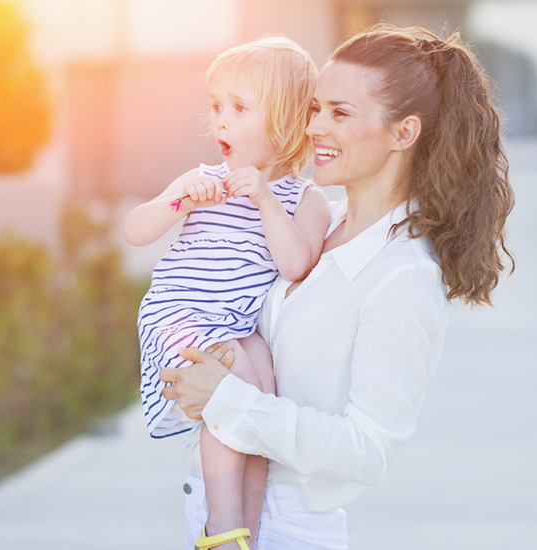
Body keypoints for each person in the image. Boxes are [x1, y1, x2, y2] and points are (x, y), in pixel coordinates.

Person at [160, 24, 515, 550]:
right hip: (218, 511)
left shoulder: (403, 275)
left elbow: (366, 450)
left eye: (340, 114)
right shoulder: (315, 223)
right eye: (315, 109)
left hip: (285, 529)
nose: (315, 128)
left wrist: (227, 399)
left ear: (404, 133)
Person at [123, 36, 330, 550]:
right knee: (230, 391)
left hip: (237, 326)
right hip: (181, 316)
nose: (220, 120)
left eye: (239, 108)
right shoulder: (202, 180)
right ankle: (220, 528)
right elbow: (136, 230)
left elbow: (297, 263)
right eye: (216, 106)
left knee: (260, 407)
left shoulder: (304, 198)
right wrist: (178, 201)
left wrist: (264, 199)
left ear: (284, 121)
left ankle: (248, 534)